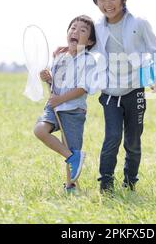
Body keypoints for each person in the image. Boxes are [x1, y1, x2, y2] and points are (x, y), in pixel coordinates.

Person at [91, 0, 156, 193]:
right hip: (110, 93)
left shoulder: (139, 23)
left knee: (132, 140)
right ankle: (105, 183)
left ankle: (130, 181)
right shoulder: (96, 26)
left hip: (135, 90)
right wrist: (68, 49)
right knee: (112, 137)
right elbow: (84, 46)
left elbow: (155, 49)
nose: (107, 4)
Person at [33, 15, 98, 194]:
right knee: (40, 130)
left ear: (90, 40)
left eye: (82, 30)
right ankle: (71, 157)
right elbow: (55, 85)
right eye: (73, 28)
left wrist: (60, 100)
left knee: (71, 145)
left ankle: (71, 186)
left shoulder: (88, 60)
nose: (75, 31)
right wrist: (47, 79)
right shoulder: (60, 57)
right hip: (54, 107)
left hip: (73, 110)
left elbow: (83, 88)